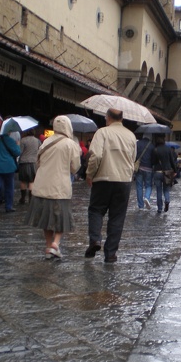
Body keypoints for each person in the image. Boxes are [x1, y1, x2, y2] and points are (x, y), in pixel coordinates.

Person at [25, 115, 81, 259]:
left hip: (42, 185)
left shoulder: (45, 142)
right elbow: (75, 167)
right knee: (62, 217)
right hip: (60, 187)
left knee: (45, 218)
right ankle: (56, 243)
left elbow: (38, 163)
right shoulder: (70, 144)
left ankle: (49, 246)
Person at [85, 108, 136, 263]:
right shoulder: (131, 136)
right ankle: (111, 254)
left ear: (107, 118)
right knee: (117, 216)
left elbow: (96, 155)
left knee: (96, 210)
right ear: (122, 118)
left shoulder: (102, 132)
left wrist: (89, 174)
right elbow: (132, 159)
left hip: (103, 178)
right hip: (123, 180)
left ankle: (95, 240)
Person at [151, 135, 176, 213]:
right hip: (167, 172)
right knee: (166, 189)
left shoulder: (155, 150)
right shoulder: (168, 149)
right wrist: (175, 170)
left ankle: (159, 208)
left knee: (158, 191)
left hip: (158, 172)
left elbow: (153, 162)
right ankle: (167, 200)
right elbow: (172, 161)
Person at [18, 129, 40, 204]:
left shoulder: (23, 140)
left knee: (23, 181)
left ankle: (23, 198)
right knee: (32, 181)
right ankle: (31, 199)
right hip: (33, 162)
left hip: (23, 162)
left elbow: (19, 152)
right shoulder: (37, 140)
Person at [134, 134, 155, 210]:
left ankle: (140, 205)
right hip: (149, 168)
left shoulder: (137, 143)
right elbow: (153, 158)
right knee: (148, 185)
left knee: (139, 187)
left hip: (139, 167)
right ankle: (147, 197)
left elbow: (134, 154)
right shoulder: (152, 146)